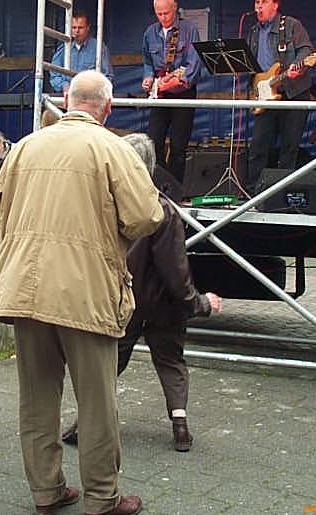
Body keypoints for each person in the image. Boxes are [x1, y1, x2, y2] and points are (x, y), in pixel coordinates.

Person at [0, 70, 164, 515]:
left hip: (24, 289)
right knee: (97, 401)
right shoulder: (113, 149)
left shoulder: (25, 147)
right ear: (108, 107)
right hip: (86, 292)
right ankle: (101, 499)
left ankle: (46, 491)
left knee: (37, 399)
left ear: (66, 99)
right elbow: (147, 217)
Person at [60, 133, 222, 453]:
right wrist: (198, 302)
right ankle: (180, 426)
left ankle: (85, 424)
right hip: (163, 303)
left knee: (110, 363)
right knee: (171, 361)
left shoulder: (105, 205)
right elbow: (175, 269)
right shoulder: (163, 209)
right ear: (151, 165)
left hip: (123, 299)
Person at [244, 0, 314, 190]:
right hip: (265, 94)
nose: (259, 6)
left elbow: (306, 51)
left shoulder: (292, 25)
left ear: (275, 5)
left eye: (264, 2)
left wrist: (297, 67)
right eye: (257, 2)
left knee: (289, 147)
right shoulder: (253, 32)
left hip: (292, 92)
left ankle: (283, 193)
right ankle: (254, 191)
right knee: (258, 145)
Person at [141, 0, 203, 185]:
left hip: (183, 94)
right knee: (153, 142)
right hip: (160, 94)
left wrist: (175, 80)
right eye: (159, 14)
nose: (163, 17)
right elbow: (147, 61)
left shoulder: (189, 29)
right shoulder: (150, 33)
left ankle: (175, 188)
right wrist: (148, 77)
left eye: (166, 13)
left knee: (178, 146)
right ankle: (159, 185)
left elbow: (194, 65)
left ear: (175, 8)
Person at [49, 9, 114, 94]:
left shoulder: (99, 48)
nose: (77, 31)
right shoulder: (63, 49)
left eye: (80, 27)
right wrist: (64, 86)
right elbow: (54, 75)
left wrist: (93, 88)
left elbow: (107, 76)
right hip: (69, 97)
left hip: (91, 96)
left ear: (88, 28)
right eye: (74, 27)